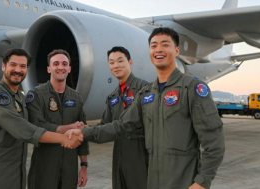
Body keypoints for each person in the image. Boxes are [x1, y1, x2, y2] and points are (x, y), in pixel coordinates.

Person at [70, 28, 225, 189]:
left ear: (177, 51)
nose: (158, 49)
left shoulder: (192, 88)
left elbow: (214, 142)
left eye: (165, 44)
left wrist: (202, 182)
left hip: (183, 182)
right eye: (154, 45)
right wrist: (84, 133)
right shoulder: (146, 94)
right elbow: (122, 126)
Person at [0, 48, 83, 189]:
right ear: (3, 66)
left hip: (15, 175)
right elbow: (23, 129)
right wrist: (64, 138)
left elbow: (37, 123)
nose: (18, 70)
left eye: (22, 66)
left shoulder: (20, 98)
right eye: (13, 65)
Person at [26, 49, 89, 189]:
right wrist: (70, 127)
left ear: (69, 68)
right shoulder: (36, 95)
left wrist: (84, 166)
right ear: (49, 68)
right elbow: (37, 126)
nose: (60, 67)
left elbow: (82, 133)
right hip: (45, 165)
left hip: (69, 167)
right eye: (56, 63)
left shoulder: (76, 97)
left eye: (64, 64)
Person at [99, 46, 148, 189]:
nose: (116, 66)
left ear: (130, 62)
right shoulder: (113, 97)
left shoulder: (144, 90)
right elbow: (104, 127)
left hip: (140, 155)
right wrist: (82, 130)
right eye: (112, 62)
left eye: (120, 61)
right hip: (119, 155)